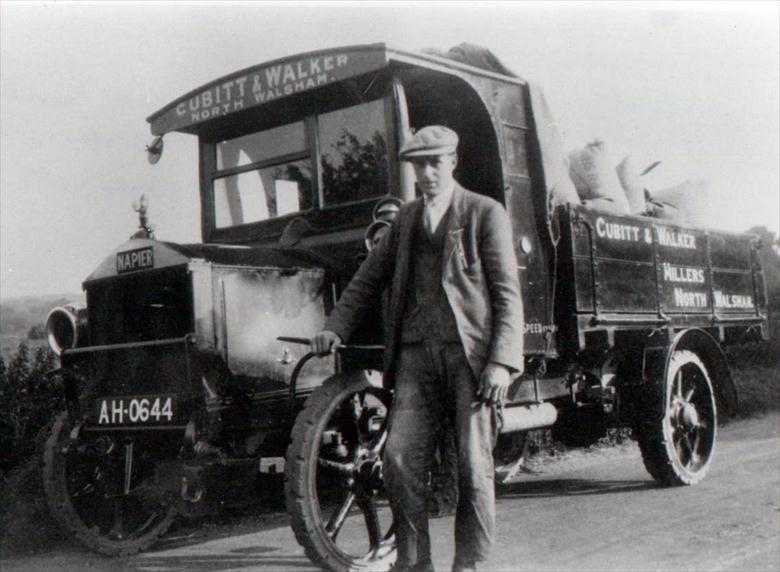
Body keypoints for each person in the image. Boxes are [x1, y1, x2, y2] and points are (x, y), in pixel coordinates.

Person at [311, 125, 524, 572]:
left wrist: (502, 363)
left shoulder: (485, 213)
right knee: (399, 461)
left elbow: (507, 296)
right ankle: (414, 566)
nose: (426, 173)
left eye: (434, 163)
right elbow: (368, 280)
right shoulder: (406, 220)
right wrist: (335, 328)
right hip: (415, 359)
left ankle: (469, 566)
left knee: (473, 466)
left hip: (470, 359)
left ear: (452, 162)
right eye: (417, 165)